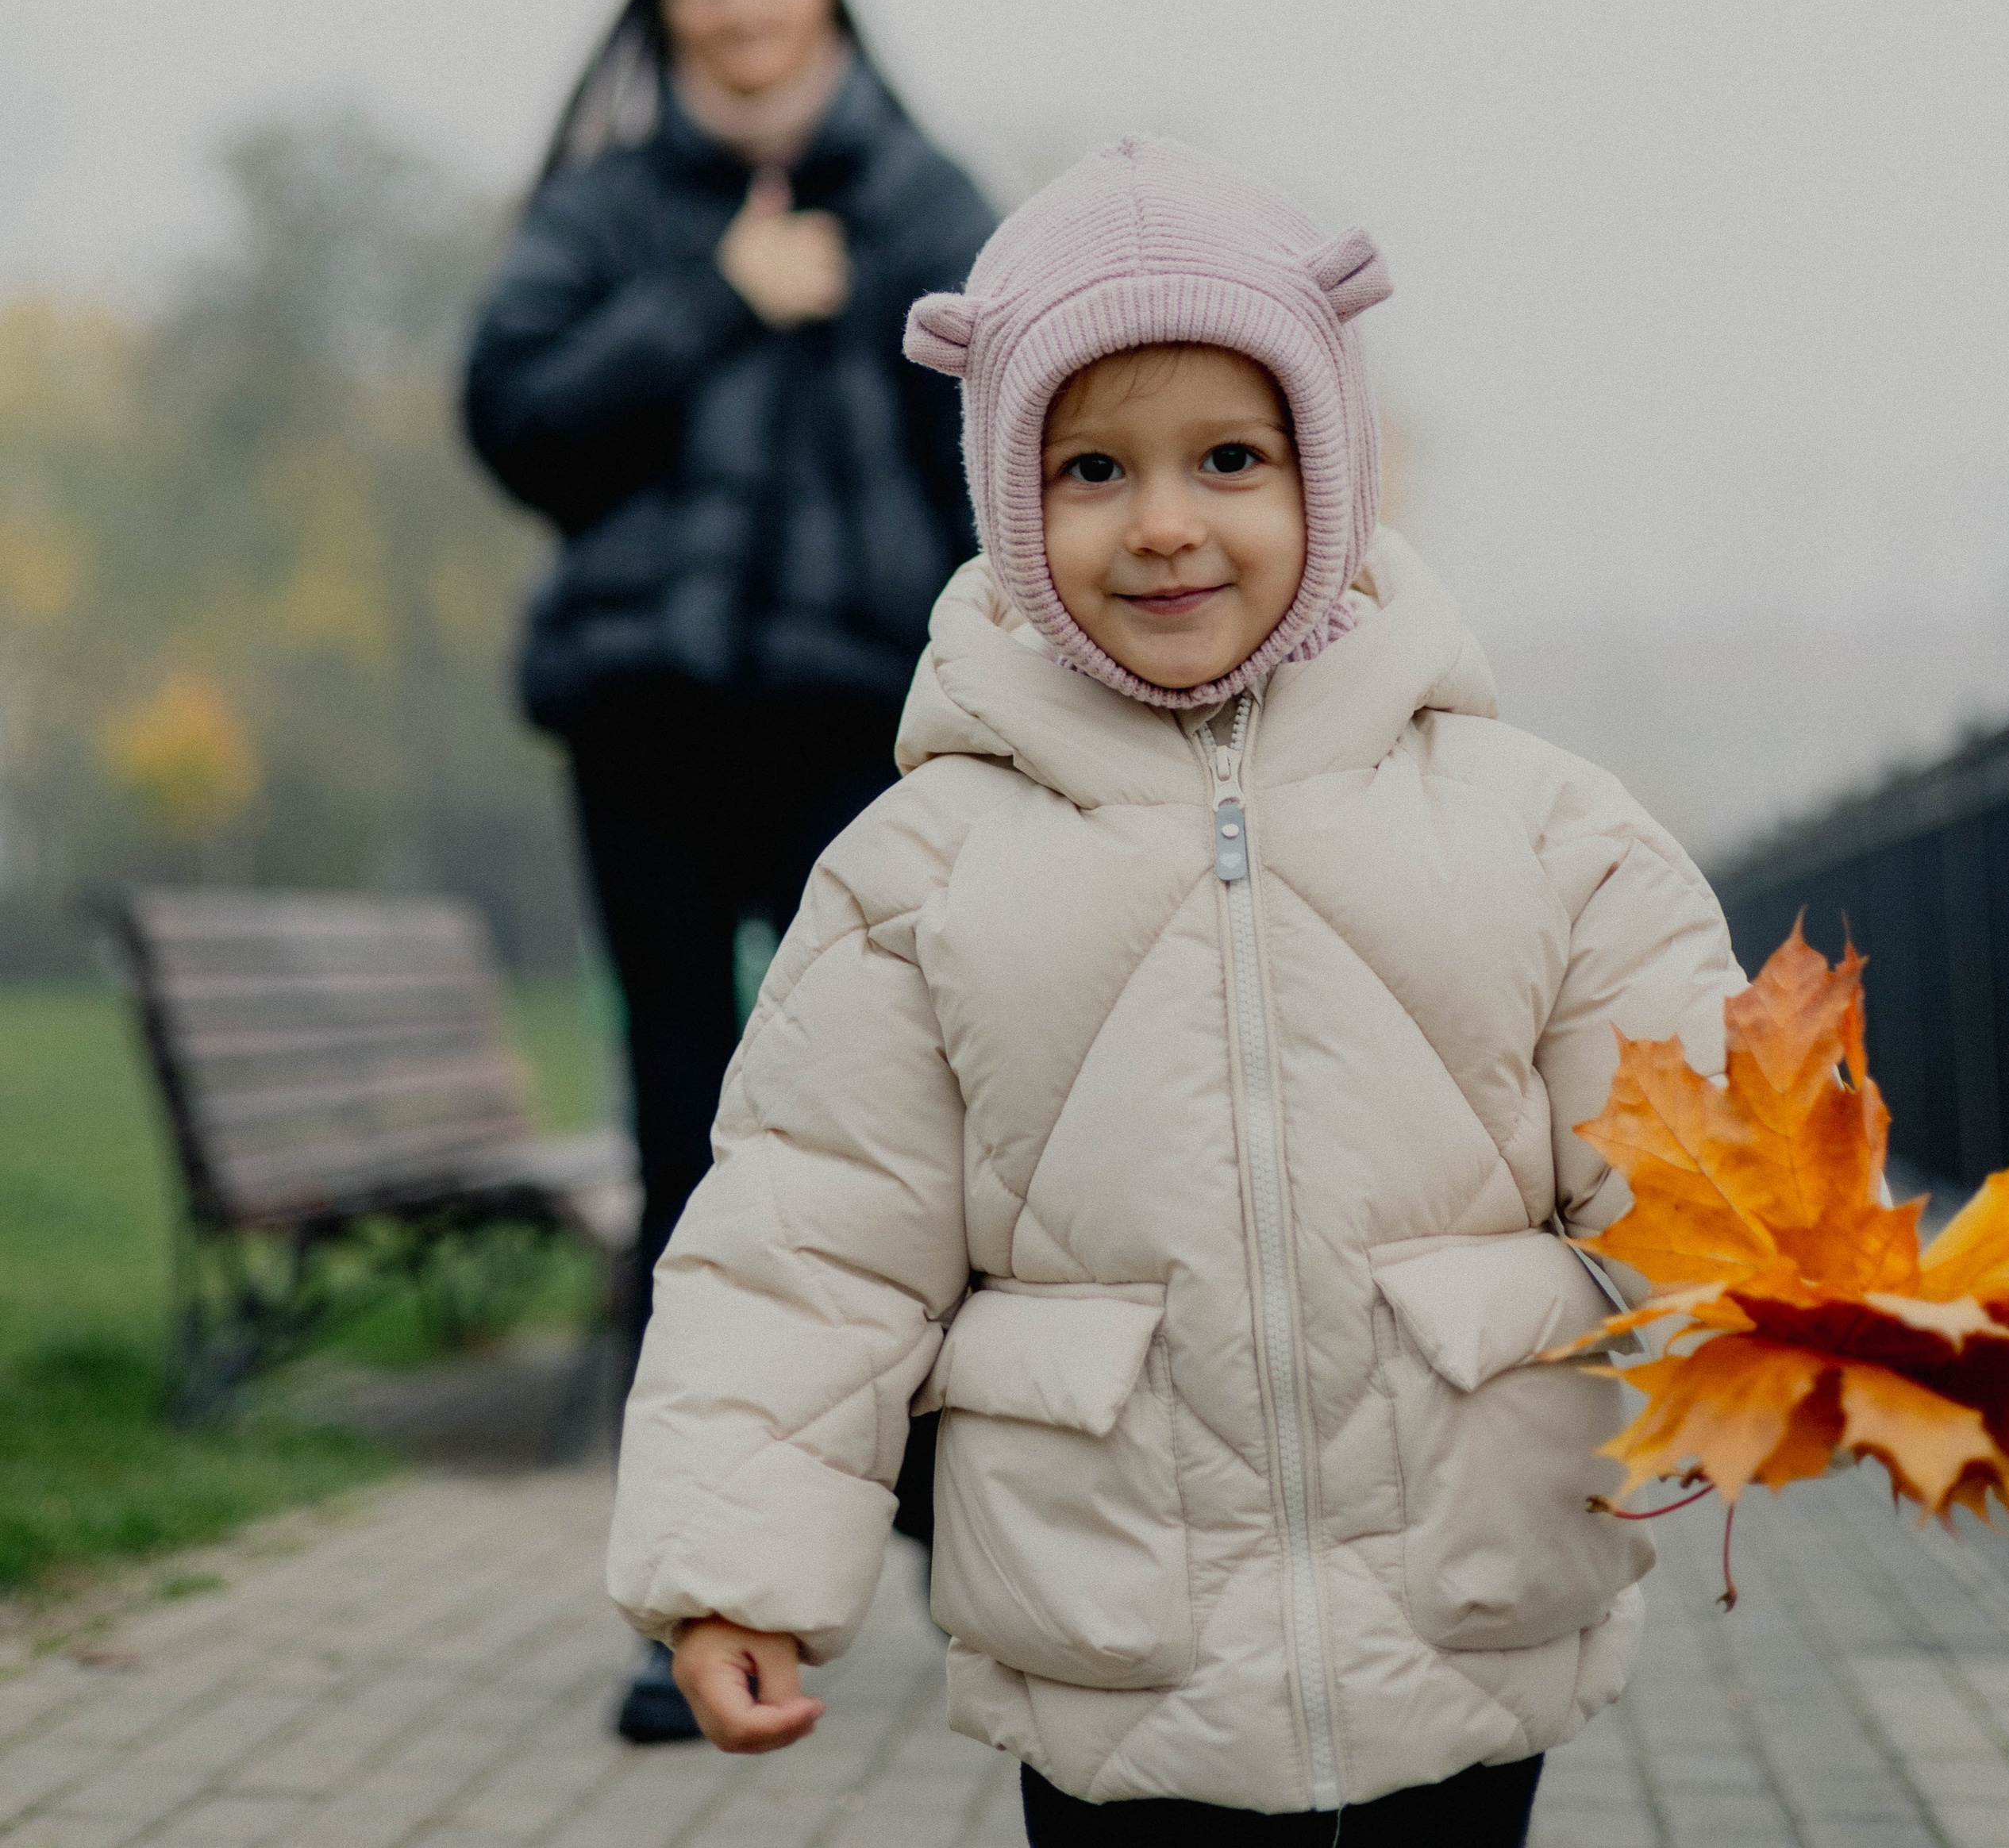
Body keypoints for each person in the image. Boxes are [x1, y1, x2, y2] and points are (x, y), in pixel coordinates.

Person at [606, 133, 1744, 1837]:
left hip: (1467, 1608)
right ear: (1006, 500)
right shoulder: (918, 871)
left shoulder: (1538, 829)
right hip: (1110, 1646)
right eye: (1086, 471)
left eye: (1227, 456)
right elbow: (806, 1244)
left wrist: (1817, 1338)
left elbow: (1702, 1164)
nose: (1161, 525)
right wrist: (733, 1567)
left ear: (1331, 474)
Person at [463, 0, 994, 1741]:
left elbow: (1010, 452)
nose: (739, 1)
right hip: (651, 737)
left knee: (900, 1141)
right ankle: (694, 1594)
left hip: (868, 739)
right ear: (666, 10)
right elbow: (510, 416)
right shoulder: (610, 212)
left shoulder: (927, 202)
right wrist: (710, 300)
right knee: (684, 1137)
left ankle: (958, 1527)